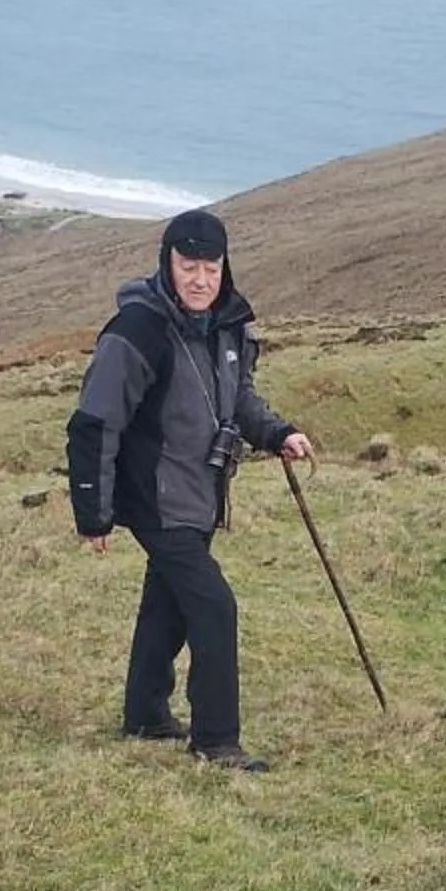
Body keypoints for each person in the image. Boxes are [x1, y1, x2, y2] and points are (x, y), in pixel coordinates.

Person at [66, 207, 314, 771]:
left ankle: (146, 713)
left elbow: (239, 399)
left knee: (170, 605)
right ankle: (217, 739)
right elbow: (94, 422)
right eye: (188, 266)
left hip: (200, 493)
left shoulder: (229, 325)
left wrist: (278, 433)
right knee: (213, 606)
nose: (201, 279)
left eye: (211, 266)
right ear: (167, 264)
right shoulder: (137, 330)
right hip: (155, 497)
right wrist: (93, 512)